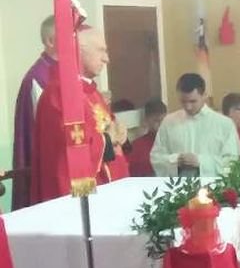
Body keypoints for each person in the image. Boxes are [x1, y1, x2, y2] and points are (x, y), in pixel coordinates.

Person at [30, 26, 129, 204]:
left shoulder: (91, 91)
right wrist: (107, 140)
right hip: (81, 193)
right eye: (101, 50)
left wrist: (120, 132)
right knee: (87, 217)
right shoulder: (60, 94)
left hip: (109, 189)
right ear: (78, 50)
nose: (106, 59)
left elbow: (107, 127)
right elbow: (70, 149)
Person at [150, 73, 240, 182]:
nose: (188, 107)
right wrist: (176, 160)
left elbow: (233, 163)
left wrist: (200, 162)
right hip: (177, 185)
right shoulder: (169, 121)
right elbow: (156, 157)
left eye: (193, 101)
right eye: (183, 101)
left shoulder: (224, 124)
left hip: (212, 186)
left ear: (204, 95)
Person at [11, 16, 58, 209]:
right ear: (50, 41)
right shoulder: (38, 78)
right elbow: (47, 129)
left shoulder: (66, 72)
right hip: (49, 166)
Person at [127, 99, 166, 177]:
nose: (161, 125)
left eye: (163, 120)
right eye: (156, 121)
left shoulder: (173, 141)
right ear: (146, 121)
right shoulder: (137, 146)